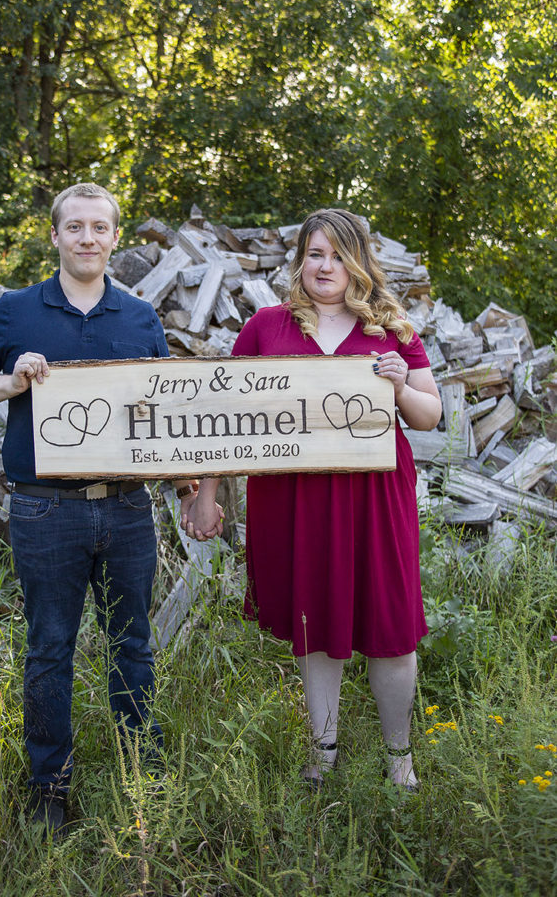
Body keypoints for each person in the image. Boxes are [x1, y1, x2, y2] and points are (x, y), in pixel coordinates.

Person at [0, 182, 200, 834]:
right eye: (76, 227)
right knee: (50, 649)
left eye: (100, 228)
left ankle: (140, 777)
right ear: (56, 236)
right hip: (43, 510)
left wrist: (185, 481)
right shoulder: (16, 310)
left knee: (134, 646)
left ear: (116, 238)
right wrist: (11, 381)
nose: (88, 238)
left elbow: (164, 408)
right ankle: (49, 789)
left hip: (125, 510)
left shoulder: (139, 317)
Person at [184, 208, 441, 791]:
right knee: (313, 619)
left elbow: (430, 416)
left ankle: (399, 760)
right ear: (300, 259)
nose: (325, 267)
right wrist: (206, 494)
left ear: (359, 264)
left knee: (390, 623)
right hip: (291, 495)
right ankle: (323, 753)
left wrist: (400, 383)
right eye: (315, 254)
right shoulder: (267, 327)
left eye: (338, 256)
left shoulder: (391, 329)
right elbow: (223, 421)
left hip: (373, 496)